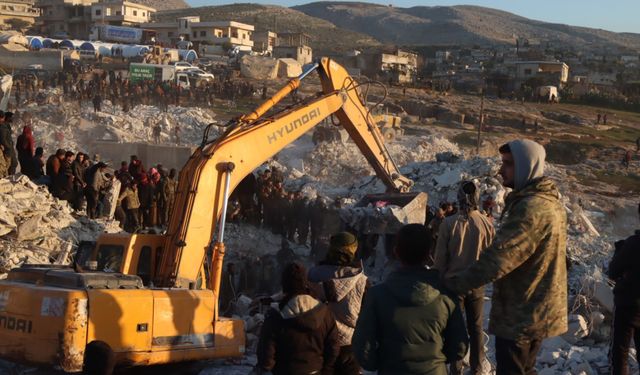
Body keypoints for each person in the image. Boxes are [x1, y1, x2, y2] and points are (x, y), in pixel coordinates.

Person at [446, 140, 568, 375]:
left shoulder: (531, 208)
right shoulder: (548, 203)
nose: (501, 171)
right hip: (533, 308)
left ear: (527, 166)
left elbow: (499, 259)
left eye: (508, 164)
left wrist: (452, 286)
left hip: (521, 313)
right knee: (525, 369)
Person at [352, 224, 469, 374]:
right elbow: (460, 346)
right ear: (429, 254)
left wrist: (379, 364)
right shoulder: (445, 296)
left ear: (396, 252)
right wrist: (436, 361)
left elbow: (362, 346)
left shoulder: (377, 295)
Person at [433, 181, 495, 375]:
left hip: (453, 285)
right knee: (476, 327)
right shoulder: (486, 223)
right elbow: (491, 257)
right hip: (476, 284)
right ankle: (477, 368)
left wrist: (437, 280)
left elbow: (440, 259)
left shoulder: (448, 224)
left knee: (454, 328)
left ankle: (456, 368)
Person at [256, 262, 340, 375]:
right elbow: (333, 348)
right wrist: (324, 369)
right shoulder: (325, 313)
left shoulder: (275, 316)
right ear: (305, 283)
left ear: (284, 285)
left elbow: (266, 357)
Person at [308, 232, 368, 375]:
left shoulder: (313, 275)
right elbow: (367, 319)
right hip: (349, 346)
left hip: (318, 345)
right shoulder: (362, 281)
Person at [608, 203, 640, 375]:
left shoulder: (633, 244)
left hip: (628, 306)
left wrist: (619, 252)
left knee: (620, 352)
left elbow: (613, 271)